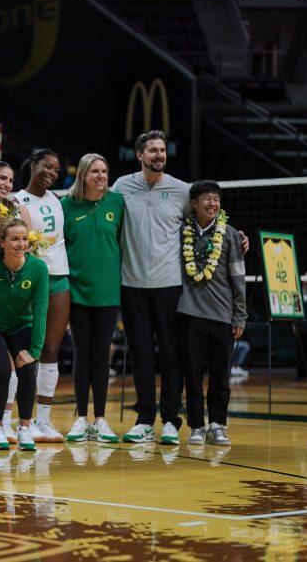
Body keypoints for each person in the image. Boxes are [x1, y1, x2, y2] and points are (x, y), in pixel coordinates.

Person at [112, 130, 190, 446]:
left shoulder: (183, 191)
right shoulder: (121, 187)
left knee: (172, 355)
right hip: (131, 286)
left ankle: (171, 420)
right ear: (140, 155)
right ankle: (145, 420)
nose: (159, 154)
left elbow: (206, 226)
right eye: (152, 150)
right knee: (141, 356)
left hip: (170, 286)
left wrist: (236, 236)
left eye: (162, 150)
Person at [60, 153, 124, 444]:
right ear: (83, 175)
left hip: (108, 292)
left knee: (101, 354)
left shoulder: (117, 203)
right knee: (81, 353)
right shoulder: (66, 206)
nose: (101, 176)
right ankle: (80, 418)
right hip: (78, 292)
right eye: (95, 171)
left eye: (104, 170)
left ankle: (100, 419)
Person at [178, 181, 246, 447]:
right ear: (194, 204)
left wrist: (240, 315)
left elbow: (238, 278)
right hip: (189, 315)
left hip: (222, 317)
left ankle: (218, 425)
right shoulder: (180, 233)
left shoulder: (229, 234)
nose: (212, 204)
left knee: (220, 377)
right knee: (192, 377)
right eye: (207, 199)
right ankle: (197, 426)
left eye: (216, 199)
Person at [13, 148, 70, 443]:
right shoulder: (16, 201)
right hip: (30, 278)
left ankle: (43, 421)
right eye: (46, 167)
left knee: (51, 349)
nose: (51, 172)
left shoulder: (58, 200)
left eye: (56, 169)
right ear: (33, 166)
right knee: (25, 350)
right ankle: (18, 420)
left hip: (59, 276)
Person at [0, 219, 48, 452]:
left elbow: (41, 311)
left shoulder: (38, 268)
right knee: (2, 370)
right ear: (1, 242)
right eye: (14, 239)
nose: (21, 244)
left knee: (28, 369)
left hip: (22, 325)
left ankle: (24, 428)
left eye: (24, 239)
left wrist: (34, 352)